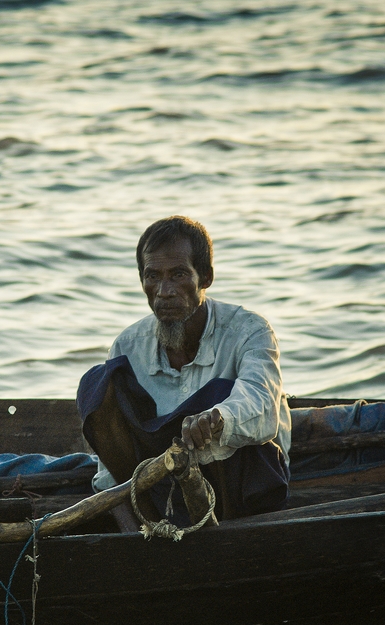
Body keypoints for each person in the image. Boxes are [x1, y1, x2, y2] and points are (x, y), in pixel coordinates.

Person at [77, 215, 290, 522]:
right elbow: (110, 465)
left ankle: (225, 535)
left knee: (219, 395)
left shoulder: (249, 330)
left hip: (247, 488)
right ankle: (148, 524)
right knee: (98, 382)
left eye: (178, 275)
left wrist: (218, 418)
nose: (164, 291)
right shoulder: (128, 345)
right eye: (153, 276)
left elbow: (260, 402)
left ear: (205, 278)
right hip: (164, 489)